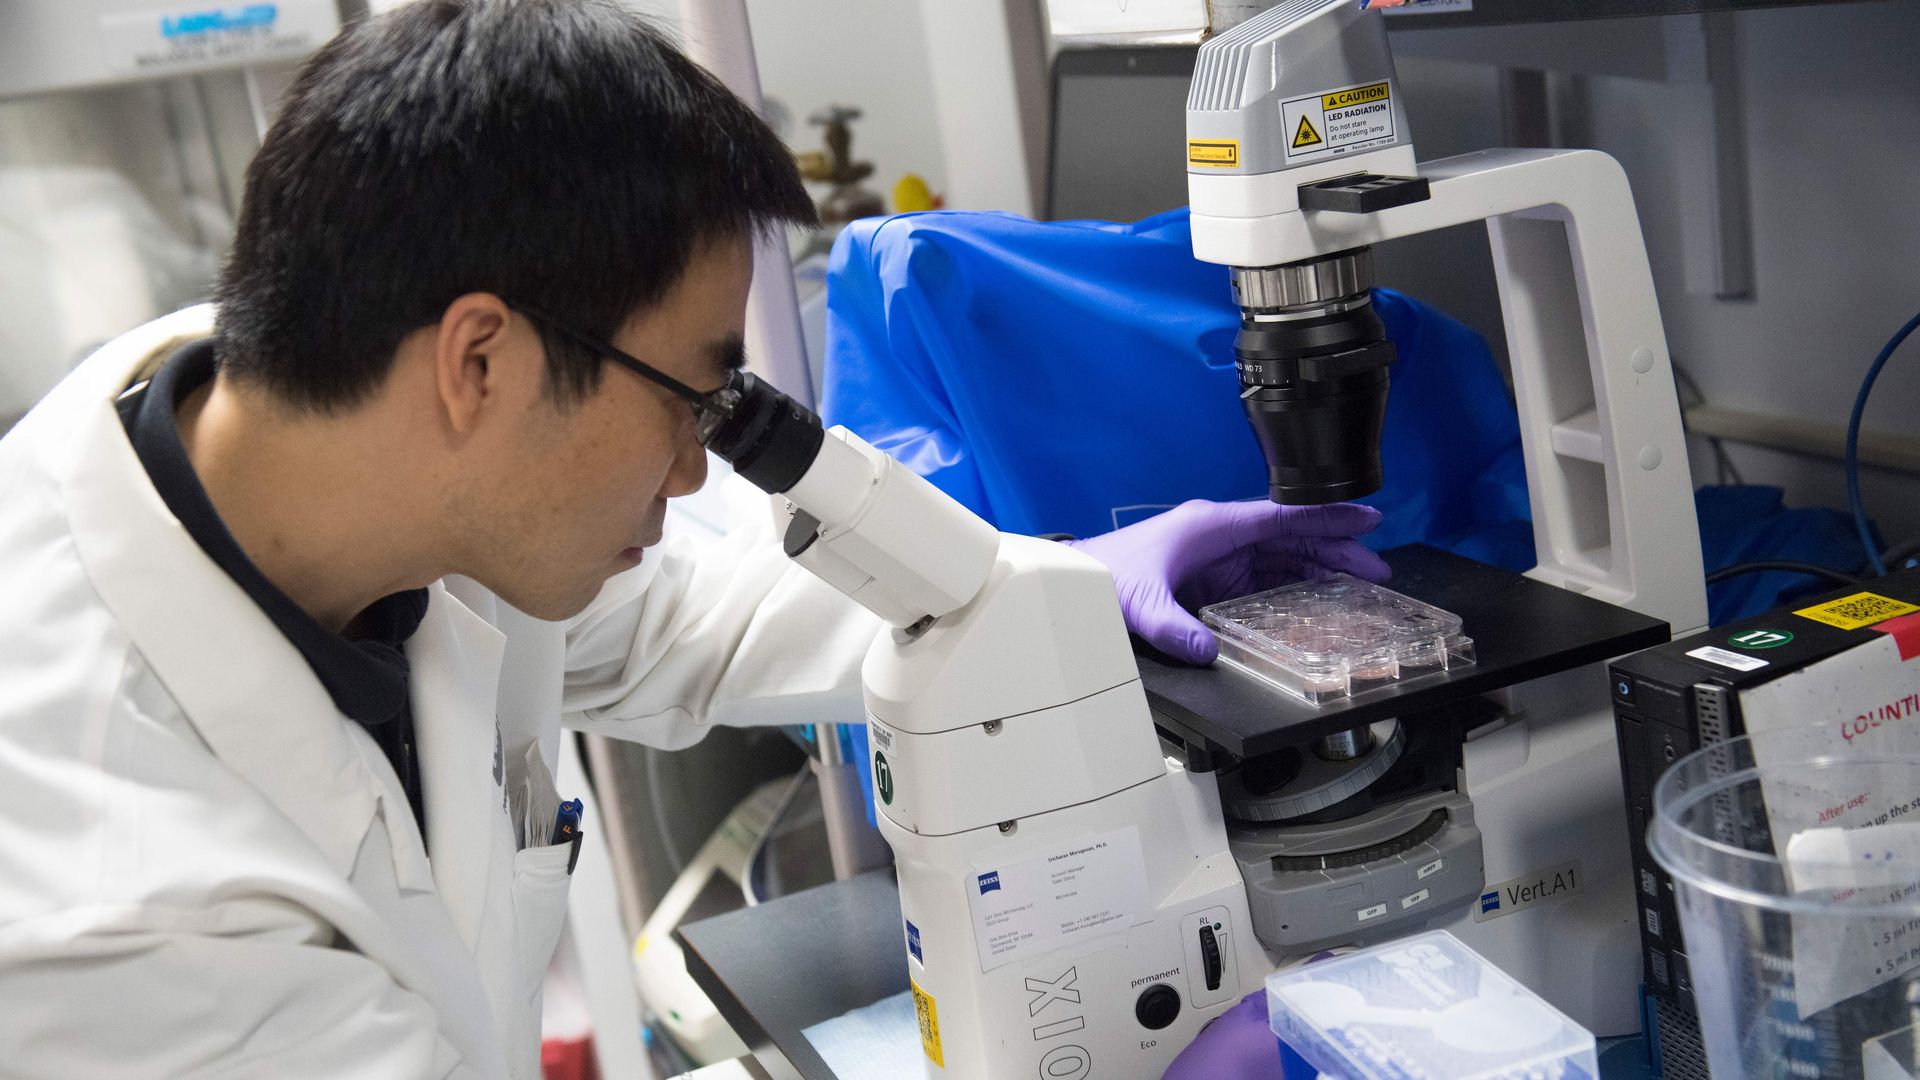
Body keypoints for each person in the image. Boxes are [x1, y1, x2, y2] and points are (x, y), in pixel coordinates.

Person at [0, 2, 1388, 1076]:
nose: (692, 471)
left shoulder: (298, 431)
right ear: (478, 362)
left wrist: (1067, 592)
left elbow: (691, 616)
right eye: (691, 399)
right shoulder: (118, 906)